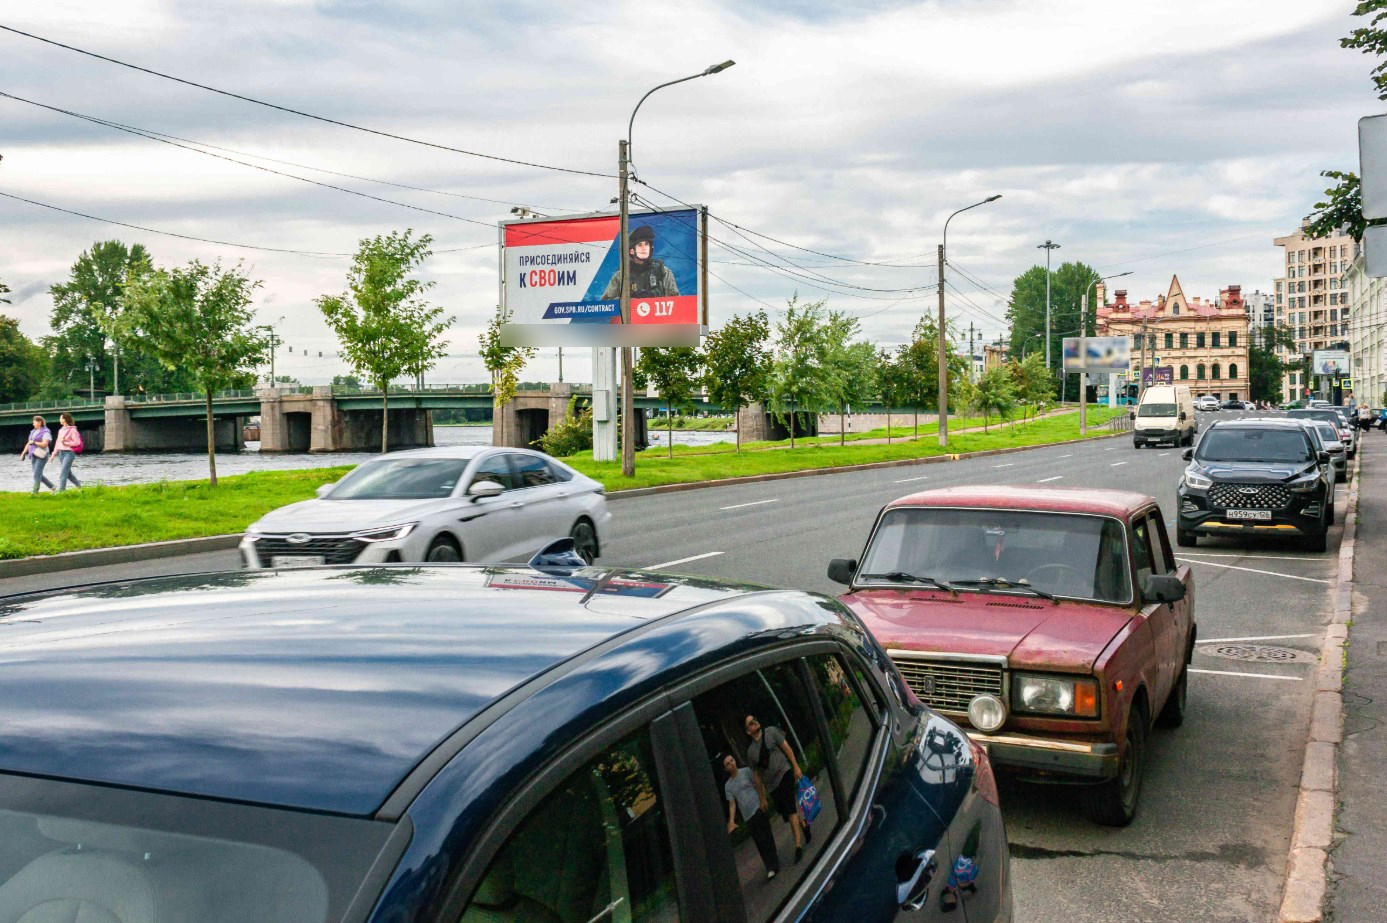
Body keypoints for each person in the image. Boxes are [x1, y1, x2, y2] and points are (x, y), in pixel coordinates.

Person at [744, 713, 812, 864]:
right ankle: (804, 825)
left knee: (790, 809)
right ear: (748, 731)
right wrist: (762, 798)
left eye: (754, 719)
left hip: (785, 773)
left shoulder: (772, 732)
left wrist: (795, 767)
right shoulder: (750, 752)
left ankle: (798, 846)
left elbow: (787, 749)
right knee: (787, 813)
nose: (754, 722)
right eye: (750, 723)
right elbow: (756, 776)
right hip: (772, 786)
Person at [722, 752, 779, 880]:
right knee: (759, 842)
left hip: (758, 808)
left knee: (767, 837)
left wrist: (763, 800)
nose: (731, 764)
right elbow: (732, 804)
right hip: (748, 816)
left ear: (735, 761)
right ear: (726, 769)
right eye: (727, 764)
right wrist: (731, 821)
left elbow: (759, 784)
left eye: (731, 760)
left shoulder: (747, 771)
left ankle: (774, 863)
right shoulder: (728, 786)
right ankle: (769, 866)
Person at [600, 225, 680, 301]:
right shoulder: (620, 276)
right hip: (630, 315)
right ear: (631, 251)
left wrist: (654, 298)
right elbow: (607, 305)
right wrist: (628, 302)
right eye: (639, 245)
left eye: (646, 244)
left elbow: (676, 301)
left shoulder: (662, 272)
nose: (644, 248)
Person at [20, 415, 54, 494]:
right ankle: (52, 486)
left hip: (42, 455)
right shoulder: (32, 432)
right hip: (34, 454)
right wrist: (23, 453)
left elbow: (44, 444)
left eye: (34, 422)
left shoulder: (46, 432)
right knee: (38, 474)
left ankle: (34, 493)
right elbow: (29, 443)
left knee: (36, 474)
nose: (33, 424)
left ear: (39, 422)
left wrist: (34, 442)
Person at [54, 413, 84, 491]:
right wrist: (54, 454)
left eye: (60, 418)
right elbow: (58, 442)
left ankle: (62, 491)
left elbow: (77, 443)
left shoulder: (73, 430)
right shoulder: (60, 430)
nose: (59, 420)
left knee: (63, 472)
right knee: (68, 474)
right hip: (61, 453)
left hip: (69, 453)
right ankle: (79, 487)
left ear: (64, 419)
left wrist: (66, 443)